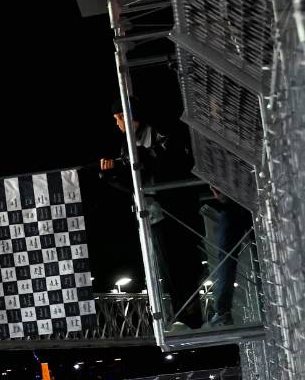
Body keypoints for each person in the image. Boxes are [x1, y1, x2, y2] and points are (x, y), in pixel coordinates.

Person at [101, 98, 203, 331]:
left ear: (133, 115)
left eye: (120, 117)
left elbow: (174, 161)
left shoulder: (158, 132)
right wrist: (112, 176)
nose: (118, 124)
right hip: (152, 213)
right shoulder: (126, 146)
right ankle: (183, 315)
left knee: (186, 261)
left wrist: (142, 158)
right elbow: (133, 184)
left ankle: (193, 314)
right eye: (116, 119)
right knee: (167, 266)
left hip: (176, 208)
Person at [200, 187, 253, 327]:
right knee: (256, 248)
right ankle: (222, 310)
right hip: (249, 198)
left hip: (233, 203)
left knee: (226, 258)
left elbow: (217, 189)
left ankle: (223, 310)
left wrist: (220, 194)